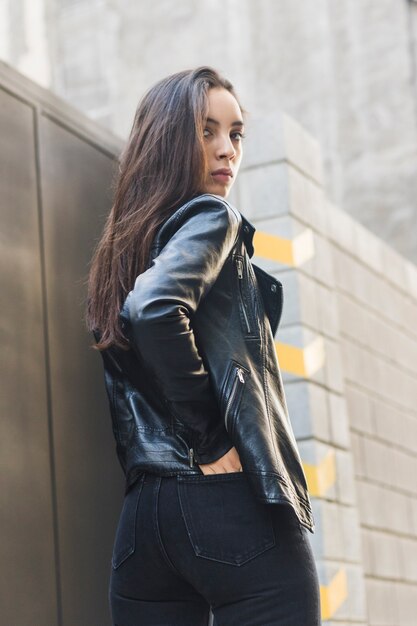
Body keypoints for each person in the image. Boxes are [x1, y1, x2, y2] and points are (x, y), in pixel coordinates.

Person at [85, 66, 321, 626]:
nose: (226, 150)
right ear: (167, 140)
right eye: (206, 131)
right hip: (225, 505)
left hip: (143, 524)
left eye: (235, 134)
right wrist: (212, 438)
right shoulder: (212, 217)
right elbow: (154, 311)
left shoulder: (126, 244)